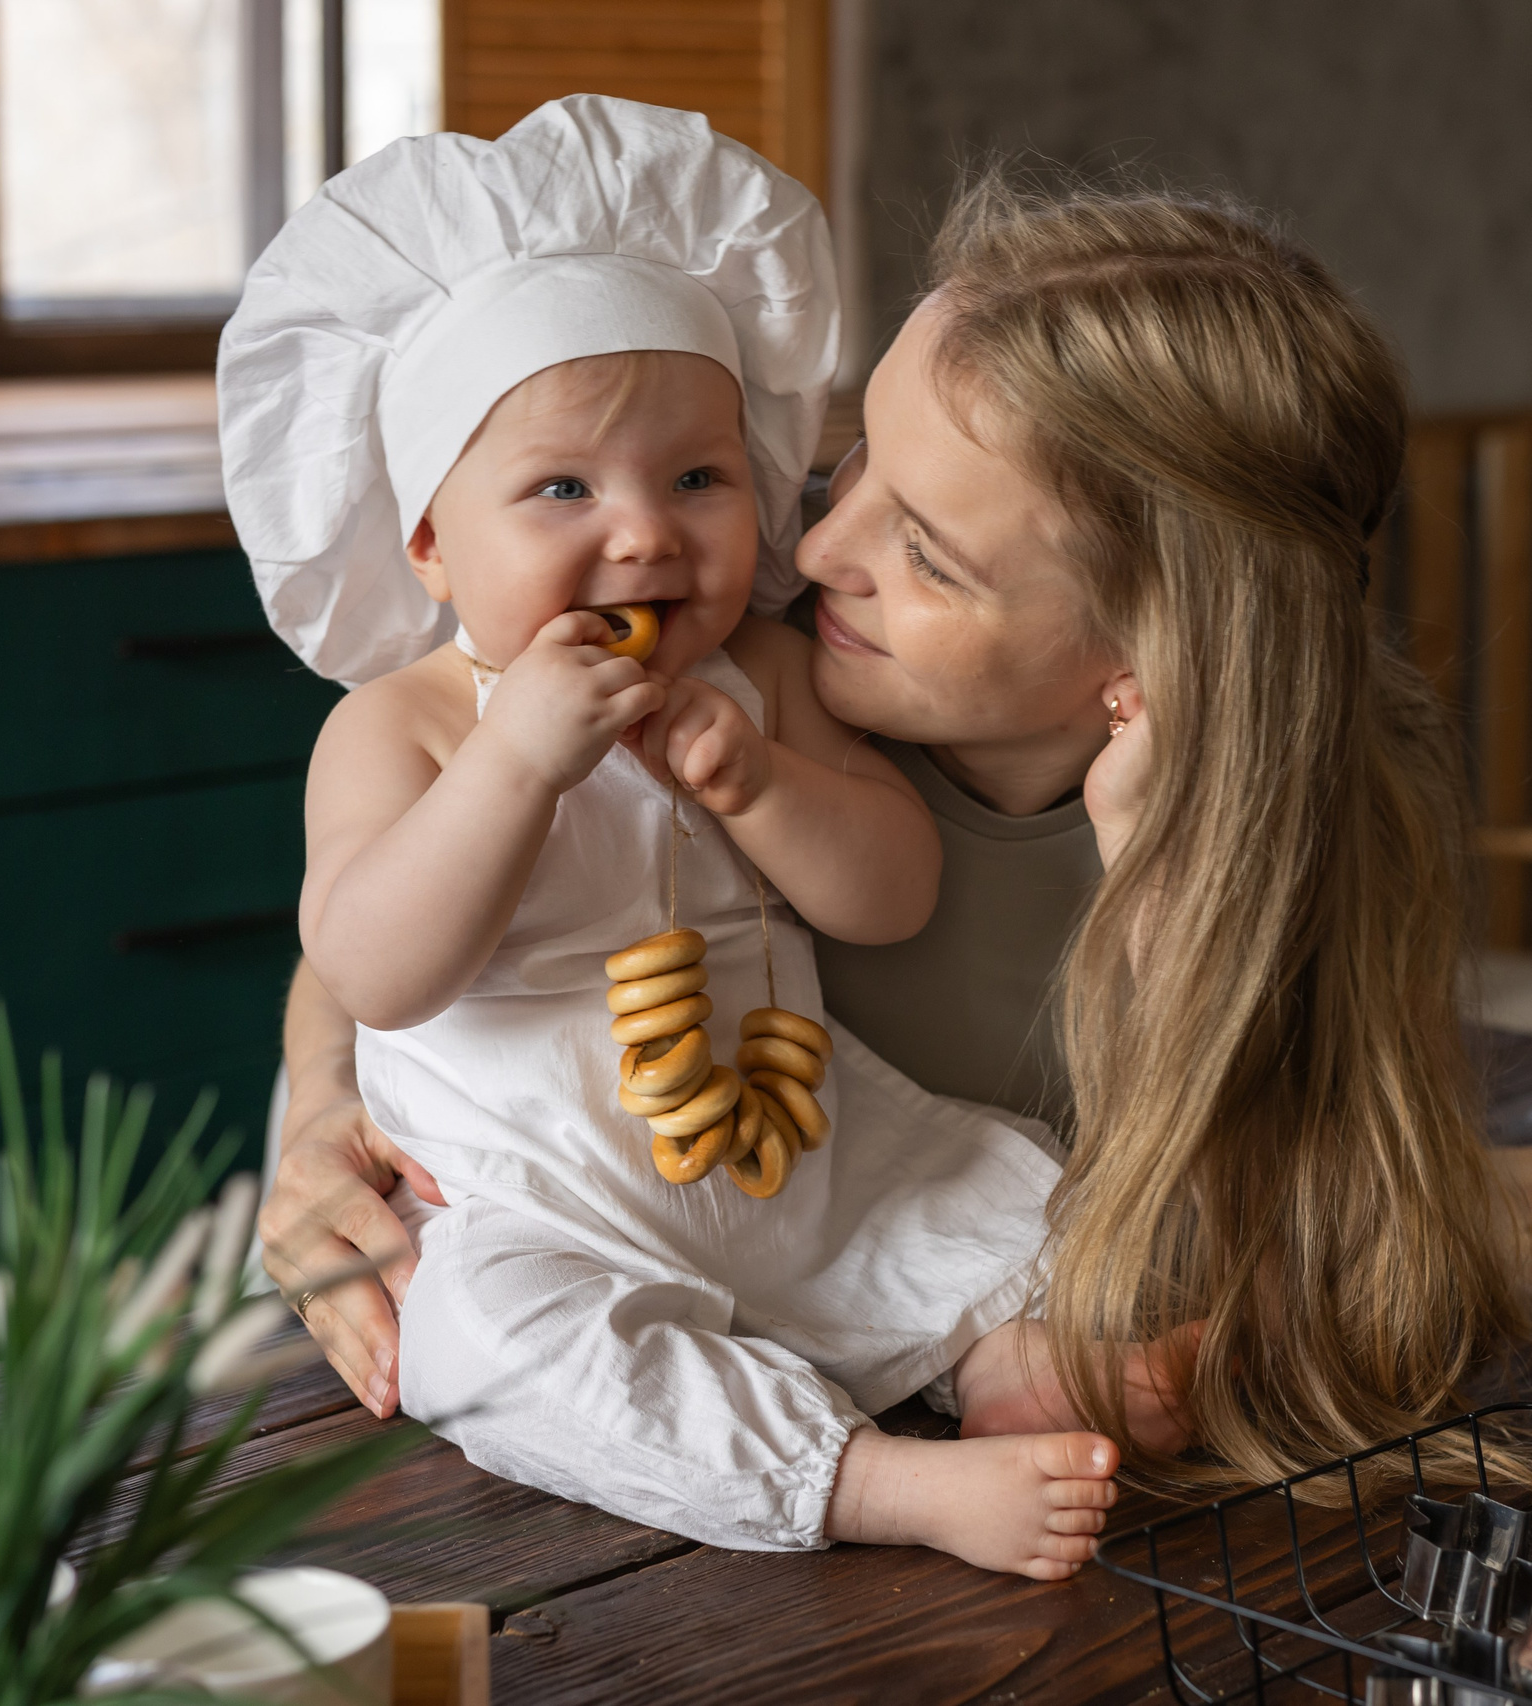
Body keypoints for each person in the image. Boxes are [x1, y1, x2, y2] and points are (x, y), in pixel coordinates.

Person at [263, 164, 1528, 1548]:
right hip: (570, 1249)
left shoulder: (1332, 802)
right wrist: (319, 1104)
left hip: (865, 1285)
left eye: (927, 552)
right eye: (851, 455)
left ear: (1141, 660)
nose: (807, 540)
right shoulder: (730, 621)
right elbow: (393, 909)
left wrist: (1153, 878)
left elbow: (1308, 1253)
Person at [222, 98, 1127, 1579]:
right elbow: (374, 964)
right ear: (433, 544)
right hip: (549, 1207)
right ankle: (869, 1479)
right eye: (563, 489)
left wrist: (760, 783)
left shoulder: (763, 674)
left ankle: (1019, 1370)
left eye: (697, 478)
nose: (645, 535)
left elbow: (891, 892)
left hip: (803, 1168)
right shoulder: (405, 727)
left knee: (1005, 1192)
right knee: (483, 1340)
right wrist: (511, 768)